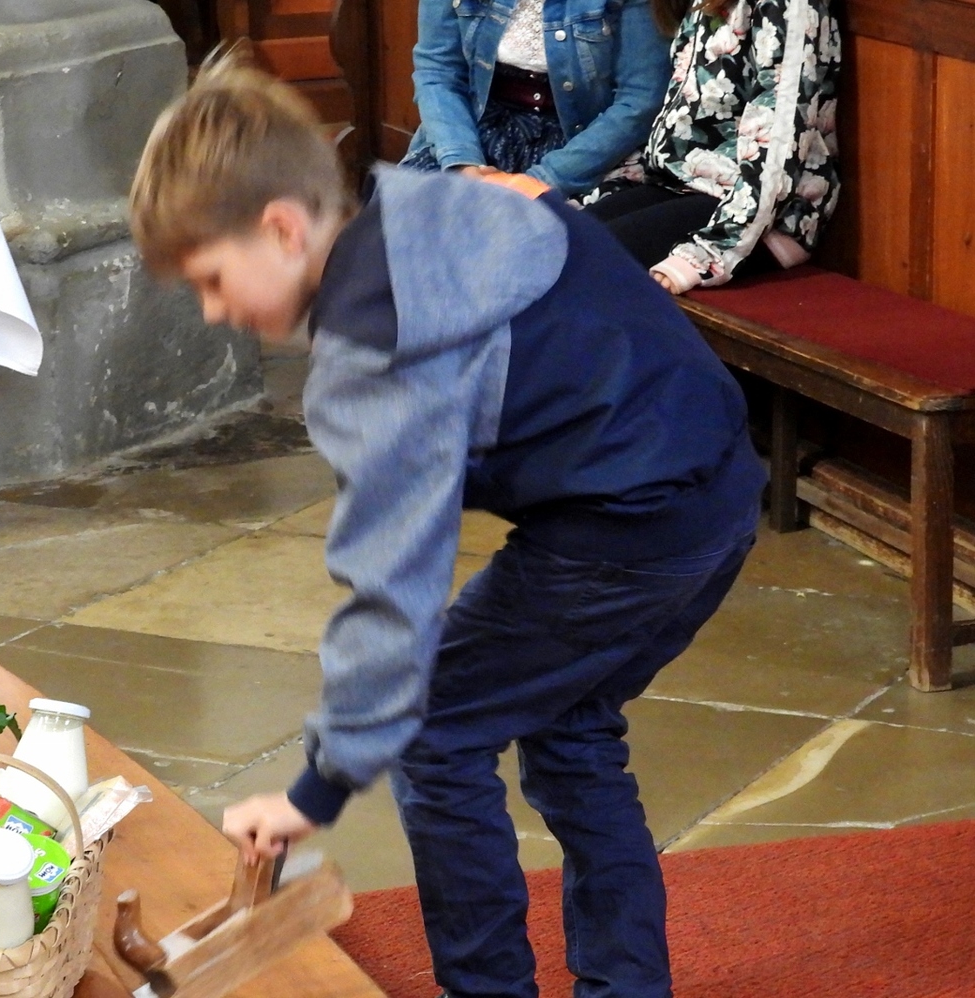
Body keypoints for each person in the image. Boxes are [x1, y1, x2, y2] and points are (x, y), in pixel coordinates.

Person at [130, 57, 764, 998]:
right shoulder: (438, 201)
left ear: (281, 228)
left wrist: (316, 790)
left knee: (433, 735)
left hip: (623, 530)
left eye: (212, 280)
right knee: (572, 726)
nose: (217, 311)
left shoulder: (374, 350)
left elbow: (394, 592)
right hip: (721, 491)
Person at [583, 0, 841, 293]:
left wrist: (710, 252)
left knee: (588, 267)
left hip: (760, 211)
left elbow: (780, 139)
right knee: (563, 240)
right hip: (685, 182)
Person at [403, 0, 673, 196]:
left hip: (579, 145)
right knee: (410, 227)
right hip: (472, 128)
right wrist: (463, 163)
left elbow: (641, 99)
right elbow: (438, 70)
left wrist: (542, 179)